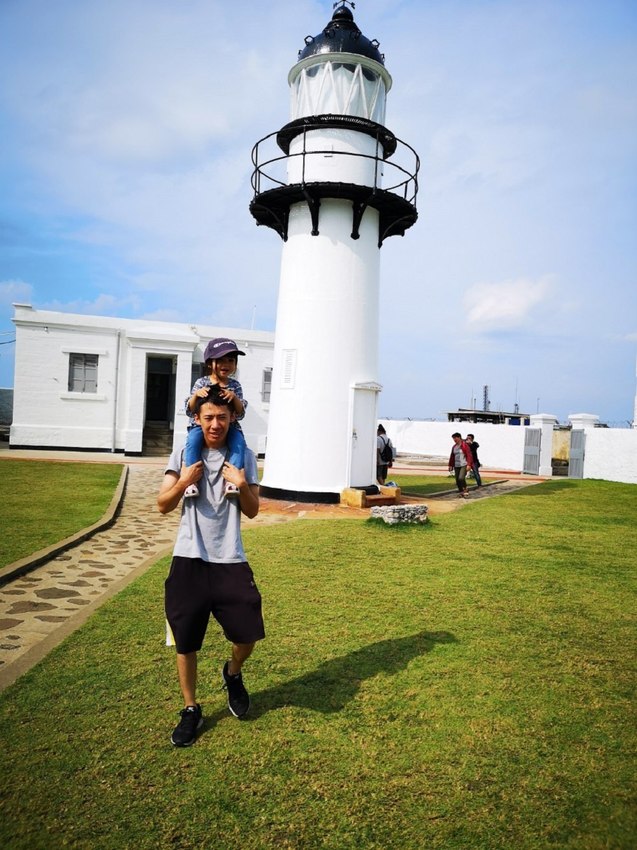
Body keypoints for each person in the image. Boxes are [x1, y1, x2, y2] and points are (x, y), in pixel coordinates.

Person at [158, 385, 264, 747]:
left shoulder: (244, 456)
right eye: (208, 418)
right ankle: (190, 708)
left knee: (247, 634)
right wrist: (184, 482)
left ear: (232, 418)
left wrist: (241, 485)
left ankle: (232, 673)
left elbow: (252, 509)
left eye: (222, 417)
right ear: (197, 420)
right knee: (185, 642)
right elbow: (162, 504)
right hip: (189, 557)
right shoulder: (185, 455)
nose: (215, 424)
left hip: (230, 557)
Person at [183, 337, 248, 499]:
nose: (226, 364)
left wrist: (234, 398)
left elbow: (240, 412)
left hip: (230, 426)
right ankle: (191, 482)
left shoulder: (235, 386)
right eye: (220, 360)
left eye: (231, 360)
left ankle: (231, 480)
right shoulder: (201, 382)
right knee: (192, 442)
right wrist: (196, 396)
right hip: (200, 427)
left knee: (239, 444)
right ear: (209, 363)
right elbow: (189, 410)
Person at [448, 432, 474, 498]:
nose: (454, 439)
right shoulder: (454, 447)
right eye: (453, 438)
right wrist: (450, 465)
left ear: (459, 437)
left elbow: (469, 455)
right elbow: (452, 456)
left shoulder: (464, 445)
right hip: (456, 465)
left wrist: (469, 465)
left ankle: (465, 489)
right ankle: (461, 492)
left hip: (464, 464)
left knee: (461, 478)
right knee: (457, 480)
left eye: (455, 438)